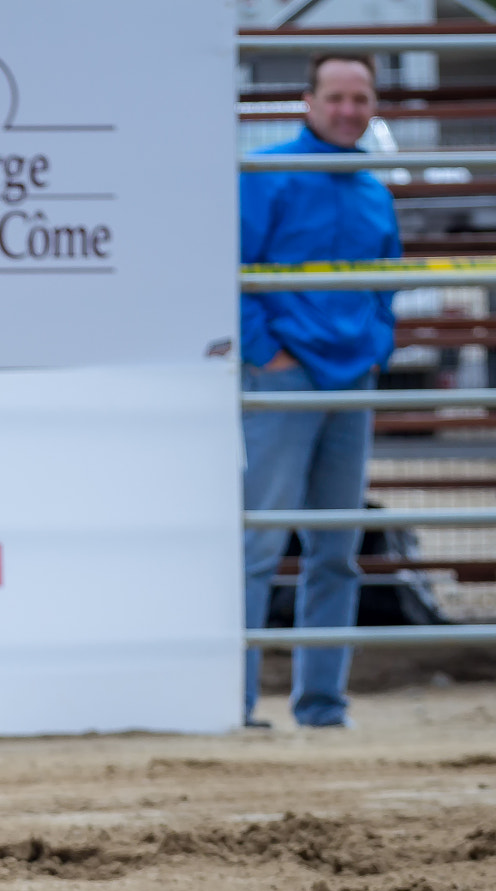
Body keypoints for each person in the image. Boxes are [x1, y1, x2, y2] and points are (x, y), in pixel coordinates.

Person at [239, 51, 400, 728]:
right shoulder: (270, 174)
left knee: (336, 548)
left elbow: (384, 283)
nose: (348, 110)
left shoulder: (373, 189)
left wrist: (377, 346)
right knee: (260, 543)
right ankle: (236, 703)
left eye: (359, 99)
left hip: (349, 380)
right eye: (335, 97)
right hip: (287, 377)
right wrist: (266, 354)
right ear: (308, 101)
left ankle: (323, 704)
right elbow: (234, 267)